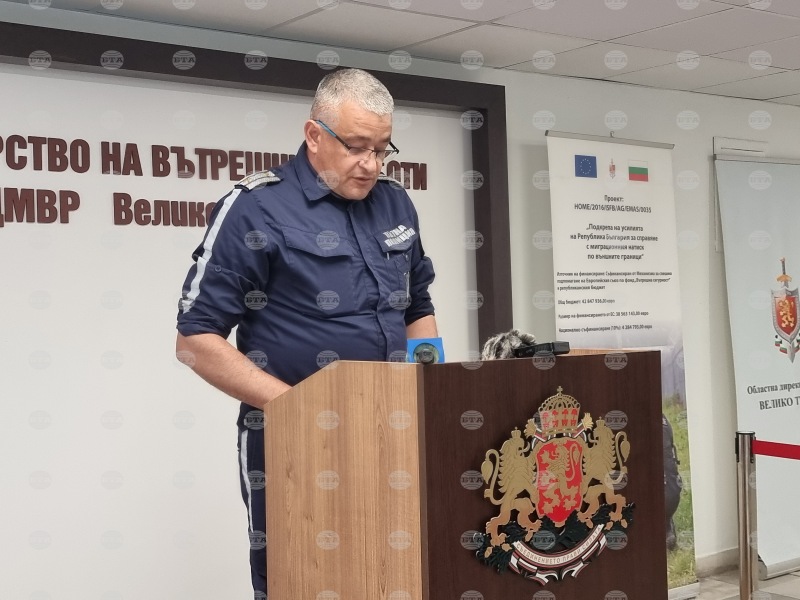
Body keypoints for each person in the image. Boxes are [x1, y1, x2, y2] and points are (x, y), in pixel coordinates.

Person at [174, 68, 437, 595]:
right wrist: (302, 411)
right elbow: (196, 341)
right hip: (295, 441)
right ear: (314, 135)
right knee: (298, 578)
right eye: (356, 147)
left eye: (382, 149)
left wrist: (431, 389)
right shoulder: (256, 207)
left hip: (394, 432)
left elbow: (418, 305)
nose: (370, 164)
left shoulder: (394, 201)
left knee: (397, 574)